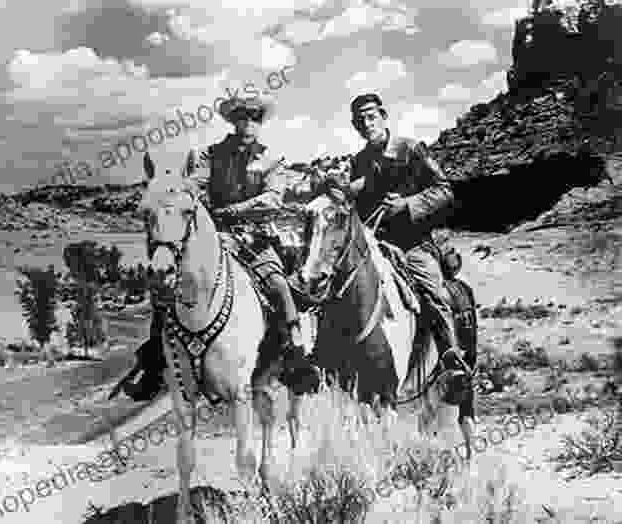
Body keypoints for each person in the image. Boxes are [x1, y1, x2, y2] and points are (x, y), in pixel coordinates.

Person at [119, 94, 318, 401]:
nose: (247, 124)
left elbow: (273, 198)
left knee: (278, 285)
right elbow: (195, 184)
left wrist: (236, 210)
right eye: (241, 117)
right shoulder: (212, 155)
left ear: (260, 122)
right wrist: (175, 187)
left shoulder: (272, 160)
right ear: (234, 121)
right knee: (166, 285)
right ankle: (156, 361)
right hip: (216, 235)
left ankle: (295, 356)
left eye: (253, 118)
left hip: (256, 236)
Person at [330, 93, 472, 392]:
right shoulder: (360, 161)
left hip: (414, 242)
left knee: (431, 290)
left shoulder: (410, 149)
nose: (366, 124)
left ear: (383, 116)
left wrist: (406, 204)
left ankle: (451, 358)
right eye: (359, 120)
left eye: (371, 116)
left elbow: (444, 190)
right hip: (376, 242)